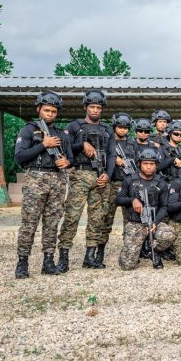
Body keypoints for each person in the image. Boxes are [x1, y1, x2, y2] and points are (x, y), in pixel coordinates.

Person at [13, 91, 73, 279]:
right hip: (36, 179)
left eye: (54, 111)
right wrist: (43, 145)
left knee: (52, 223)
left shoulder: (61, 134)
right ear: (39, 109)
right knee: (29, 223)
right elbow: (20, 157)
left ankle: (48, 261)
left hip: (57, 180)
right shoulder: (28, 130)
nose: (50, 114)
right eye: (47, 110)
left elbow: (70, 157)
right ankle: (22, 262)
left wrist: (67, 162)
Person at [57, 89, 116, 271]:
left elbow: (112, 155)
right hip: (80, 175)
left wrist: (108, 174)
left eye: (99, 107)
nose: (96, 110)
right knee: (72, 216)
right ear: (85, 107)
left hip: (100, 177)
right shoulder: (74, 126)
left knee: (97, 218)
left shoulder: (107, 130)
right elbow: (65, 150)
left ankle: (90, 257)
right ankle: (64, 257)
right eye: (92, 106)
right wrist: (81, 144)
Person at [115, 147, 176, 270]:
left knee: (169, 234)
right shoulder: (130, 180)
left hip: (153, 222)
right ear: (139, 164)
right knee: (126, 266)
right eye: (145, 164)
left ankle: (154, 250)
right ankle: (138, 249)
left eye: (152, 164)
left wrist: (155, 222)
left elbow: (164, 207)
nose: (149, 167)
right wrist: (132, 200)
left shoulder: (161, 183)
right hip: (136, 223)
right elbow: (117, 200)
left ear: (156, 165)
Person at [100, 113, 137, 262]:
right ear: (114, 126)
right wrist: (113, 160)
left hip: (128, 184)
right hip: (112, 184)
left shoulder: (132, 143)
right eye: (120, 127)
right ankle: (99, 252)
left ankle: (129, 252)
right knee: (106, 218)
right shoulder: (107, 142)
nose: (123, 130)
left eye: (125, 128)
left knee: (130, 220)